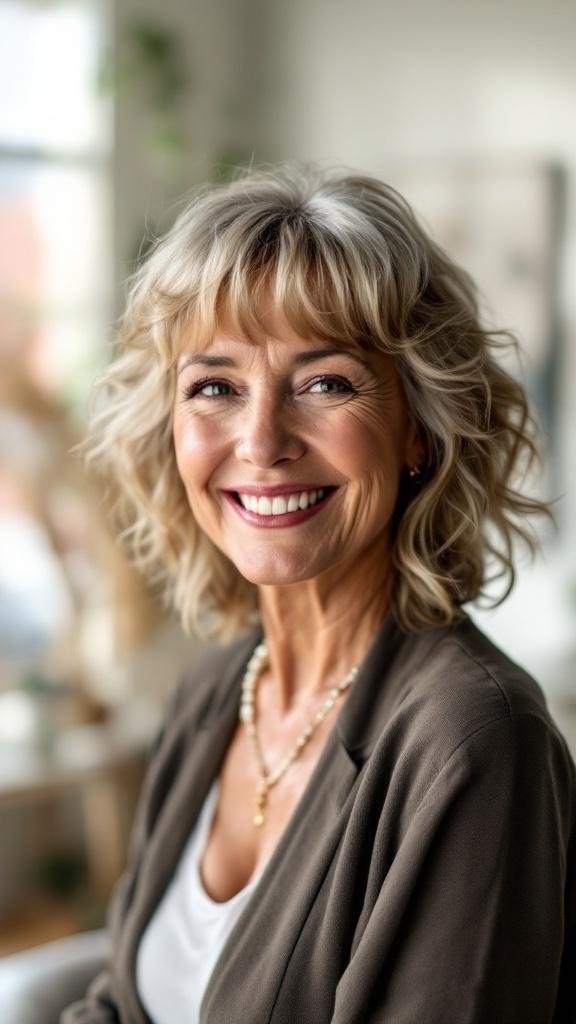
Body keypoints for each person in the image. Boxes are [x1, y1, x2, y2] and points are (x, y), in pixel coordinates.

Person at [63, 164, 576, 1024]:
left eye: (325, 382)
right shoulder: (215, 692)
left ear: (417, 424)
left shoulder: (474, 739)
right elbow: (118, 1001)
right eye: (215, 387)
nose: (261, 443)